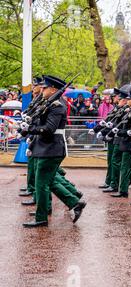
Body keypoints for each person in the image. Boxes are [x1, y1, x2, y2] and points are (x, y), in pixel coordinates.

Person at [21, 75, 86, 228]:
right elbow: (39, 122)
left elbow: (49, 129)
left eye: (45, 88)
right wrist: (28, 128)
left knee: (42, 184)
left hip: (51, 149)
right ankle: (74, 203)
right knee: (48, 182)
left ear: (54, 90)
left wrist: (31, 129)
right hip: (43, 147)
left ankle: (42, 217)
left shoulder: (57, 106)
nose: (42, 90)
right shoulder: (48, 103)